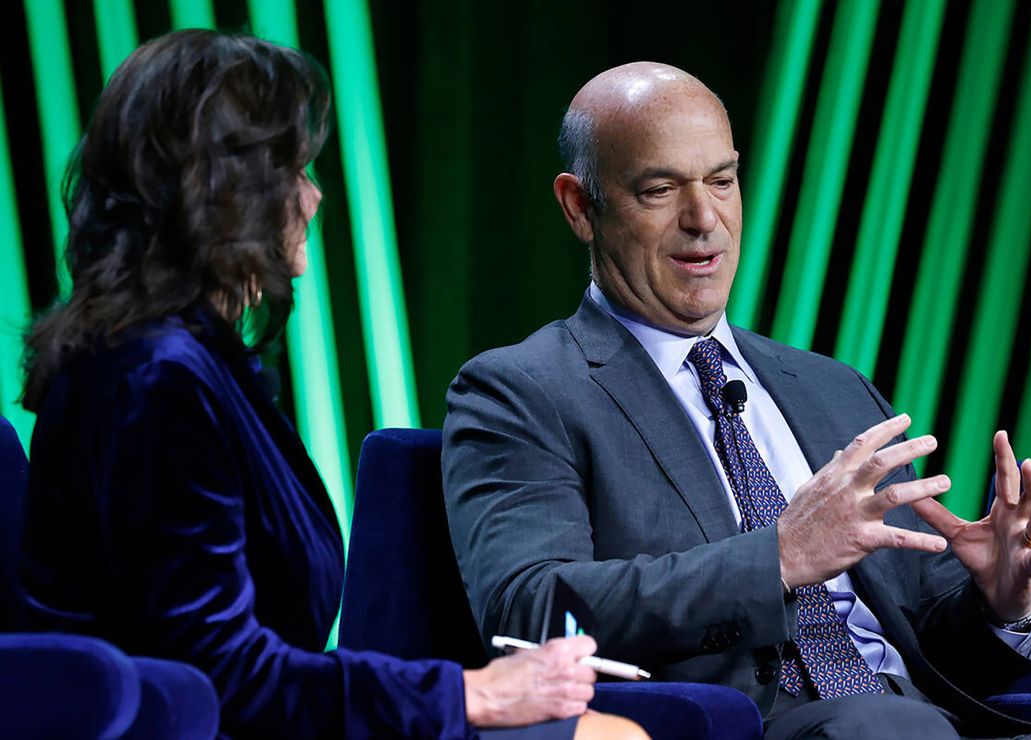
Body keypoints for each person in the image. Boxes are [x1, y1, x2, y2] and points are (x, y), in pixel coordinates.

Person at [17, 30, 646, 740]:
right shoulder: (153, 379)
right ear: (225, 190)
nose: (313, 198)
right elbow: (224, 675)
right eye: (294, 169)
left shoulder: (185, 363)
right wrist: (471, 694)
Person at [442, 62, 1031, 739]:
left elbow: (936, 656)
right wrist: (780, 557)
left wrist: (1003, 600)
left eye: (722, 181)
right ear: (581, 207)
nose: (704, 218)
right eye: (659, 189)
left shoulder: (833, 388)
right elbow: (528, 612)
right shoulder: (523, 391)